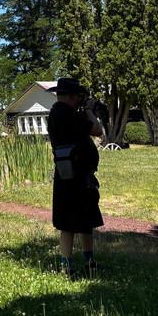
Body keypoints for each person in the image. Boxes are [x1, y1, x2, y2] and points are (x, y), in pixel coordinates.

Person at [47, 77, 105, 278]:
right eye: (79, 97)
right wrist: (89, 109)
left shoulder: (55, 113)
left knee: (73, 222)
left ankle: (72, 266)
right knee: (77, 222)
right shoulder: (68, 114)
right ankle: (82, 265)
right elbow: (97, 130)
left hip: (66, 173)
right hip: (78, 175)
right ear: (73, 97)